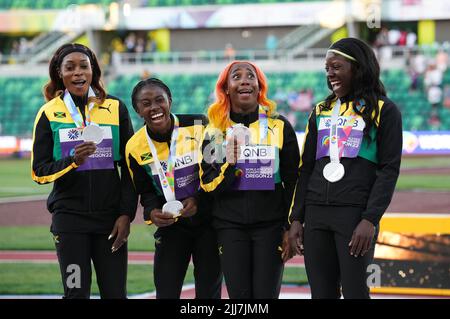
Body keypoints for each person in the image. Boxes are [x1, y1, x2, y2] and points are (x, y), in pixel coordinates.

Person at [287, 38, 403, 299]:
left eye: (336, 67)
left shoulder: (384, 110)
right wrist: (296, 218)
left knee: (355, 293)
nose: (330, 74)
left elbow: (388, 169)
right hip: (316, 215)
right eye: (327, 68)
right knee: (322, 294)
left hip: (354, 217)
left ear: (358, 68)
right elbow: (306, 169)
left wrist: (370, 219)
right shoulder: (321, 110)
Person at [31, 43, 137, 298]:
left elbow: (130, 169)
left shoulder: (115, 108)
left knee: (115, 294)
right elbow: (39, 171)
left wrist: (126, 214)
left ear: (93, 71)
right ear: (60, 73)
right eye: (70, 68)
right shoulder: (48, 113)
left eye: (83, 66)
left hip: (109, 222)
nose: (78, 73)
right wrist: (71, 161)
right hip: (70, 223)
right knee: (76, 292)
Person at [199, 61, 300, 298]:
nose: (245, 80)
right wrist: (230, 163)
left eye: (250, 77)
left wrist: (290, 225)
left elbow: (294, 180)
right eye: (237, 76)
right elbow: (208, 184)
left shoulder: (279, 126)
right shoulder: (214, 131)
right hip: (229, 227)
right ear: (226, 88)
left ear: (259, 87)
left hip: (271, 227)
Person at [125, 78, 222, 299]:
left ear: (170, 100)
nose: (154, 108)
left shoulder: (201, 124)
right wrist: (151, 212)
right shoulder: (134, 146)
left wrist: (199, 200)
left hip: (208, 224)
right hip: (172, 228)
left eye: (160, 100)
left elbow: (217, 172)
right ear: (138, 110)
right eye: (146, 103)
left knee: (209, 294)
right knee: (166, 291)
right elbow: (146, 191)